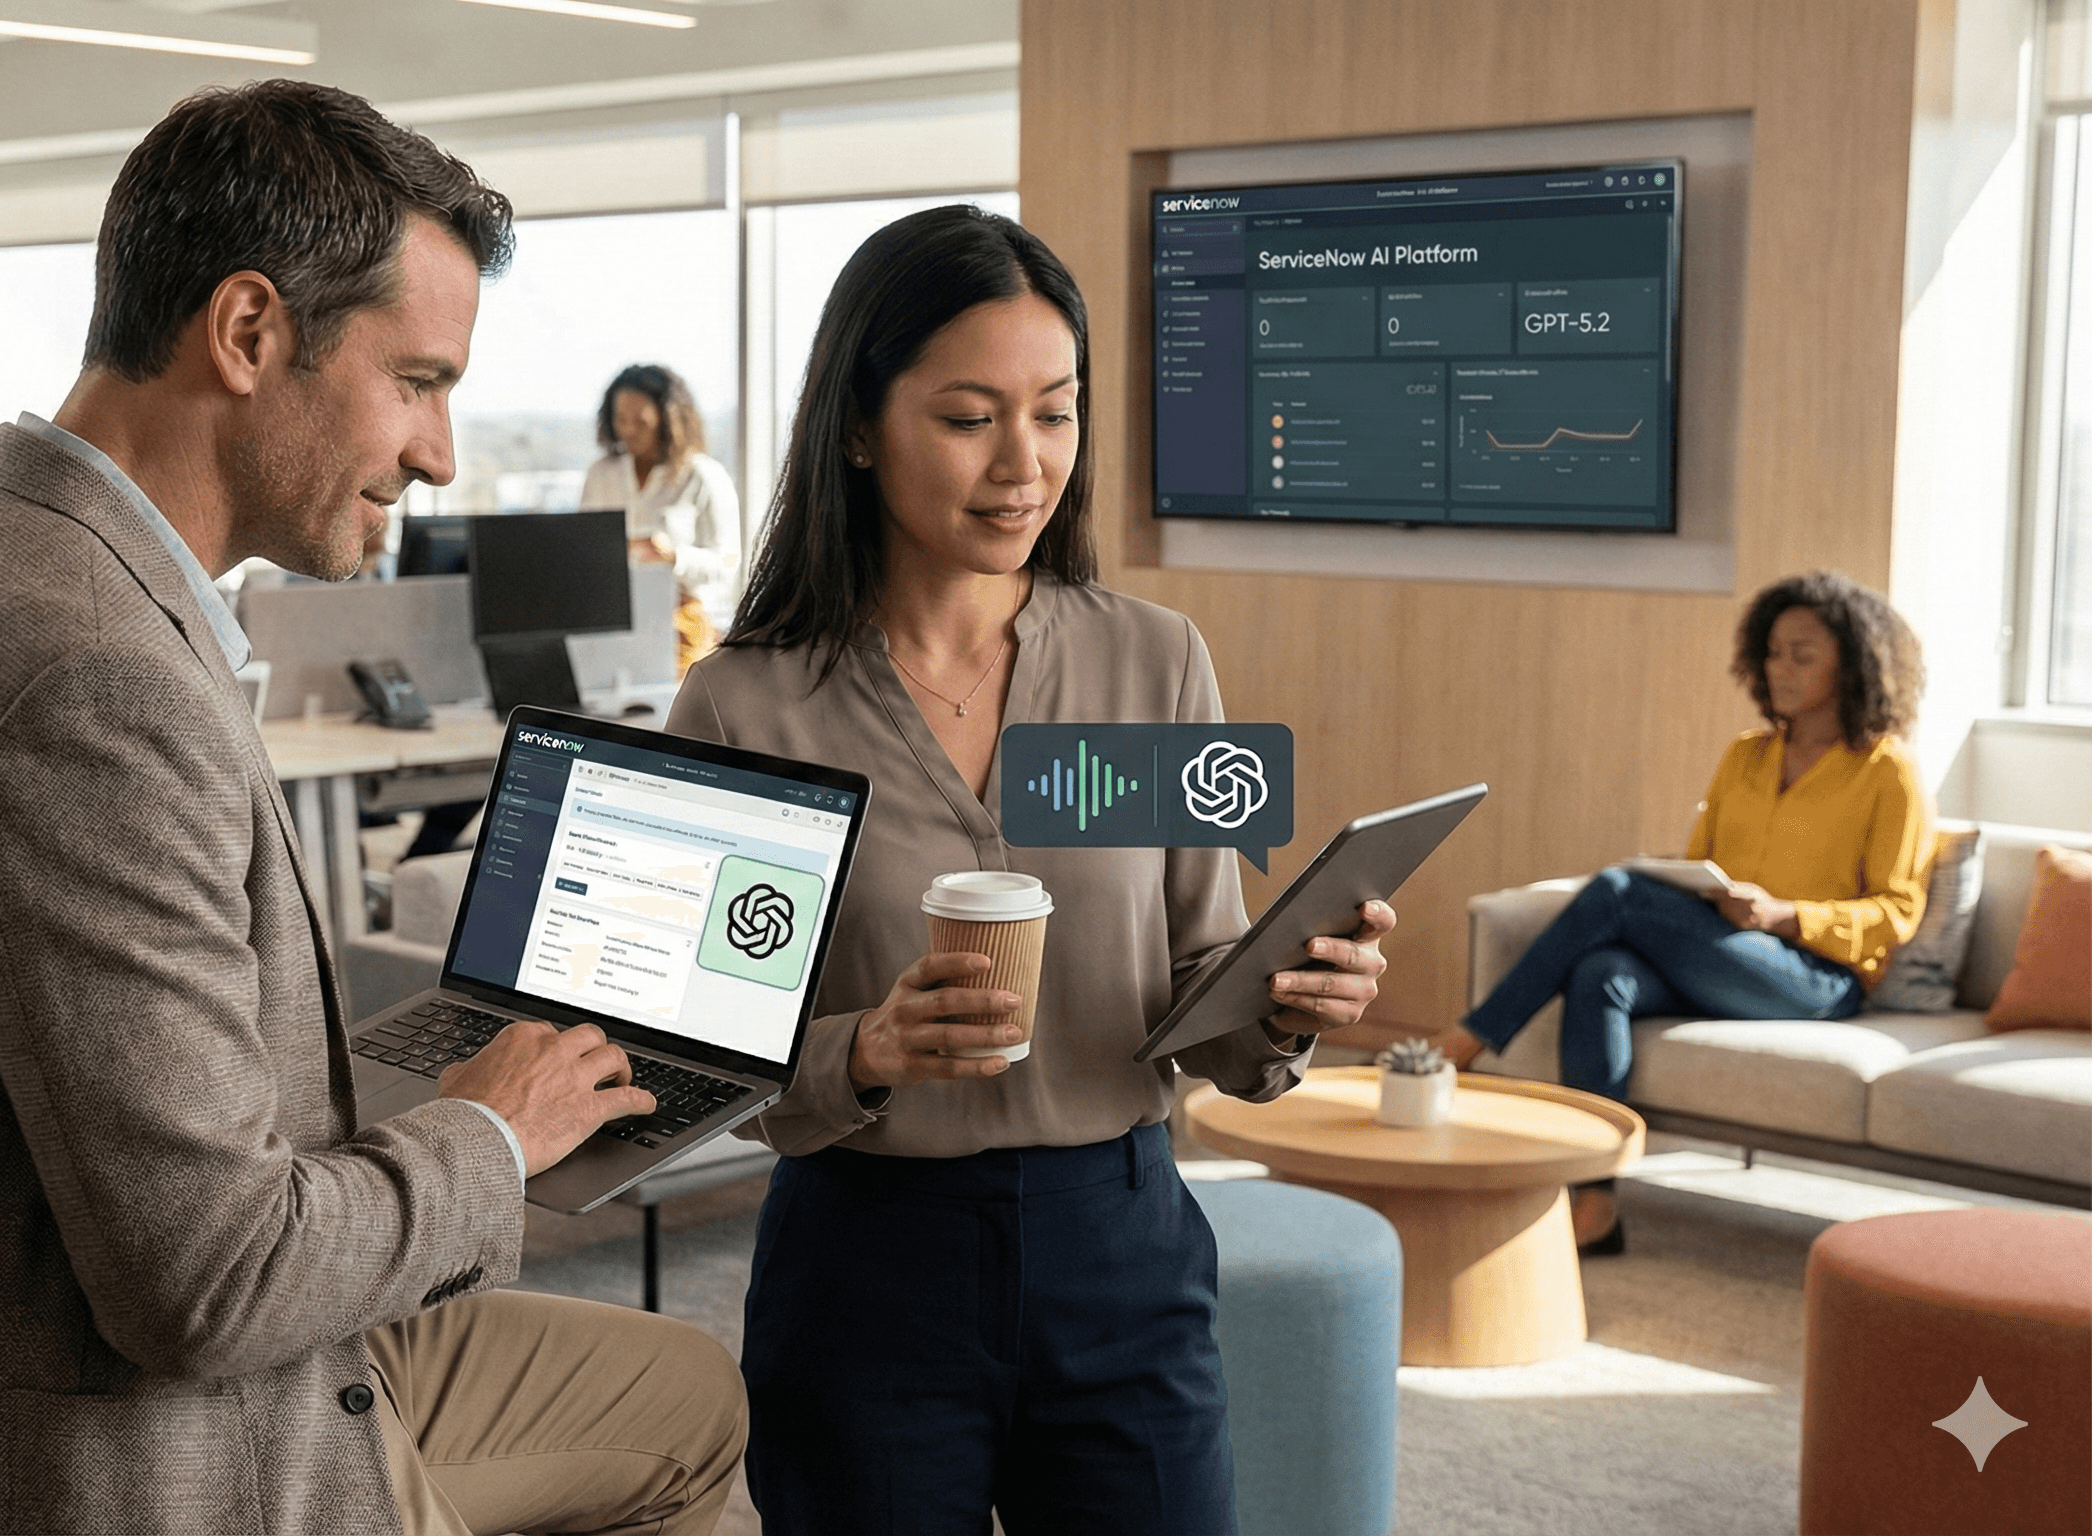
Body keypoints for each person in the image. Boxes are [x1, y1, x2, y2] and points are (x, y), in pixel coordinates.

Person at [0, 80, 745, 1536]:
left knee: (690, 1398)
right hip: (93, 1462)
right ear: (249, 332)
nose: (440, 455)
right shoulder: (89, 677)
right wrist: (491, 1135)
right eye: (422, 383)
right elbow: (211, 1282)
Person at [666, 204, 1395, 1535]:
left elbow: (1196, 970)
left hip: (1119, 1248)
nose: (1024, 464)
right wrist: (868, 1050)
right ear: (854, 426)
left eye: (1054, 413)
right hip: (867, 1265)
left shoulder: (1154, 663)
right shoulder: (741, 708)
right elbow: (710, 1063)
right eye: (967, 418)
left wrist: (1279, 1000)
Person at [1429, 570, 1932, 1251]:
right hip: (1724, 953)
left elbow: (1896, 912)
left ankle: (1470, 1040)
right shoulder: (1746, 758)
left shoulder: (1886, 771)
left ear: (1852, 665)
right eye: (1773, 652)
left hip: (1817, 977)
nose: (1779, 668)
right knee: (1602, 972)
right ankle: (1597, 1204)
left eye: (1802, 655)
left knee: (1619, 891)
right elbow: (1701, 869)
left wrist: (1786, 915)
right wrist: (1695, 888)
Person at [578, 364, 740, 670]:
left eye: (641, 422)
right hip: (612, 624)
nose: (627, 431)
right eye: (620, 420)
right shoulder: (601, 474)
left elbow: (728, 566)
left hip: (682, 624)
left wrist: (674, 557)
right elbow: (584, 554)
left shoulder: (703, 476)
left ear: (668, 420)